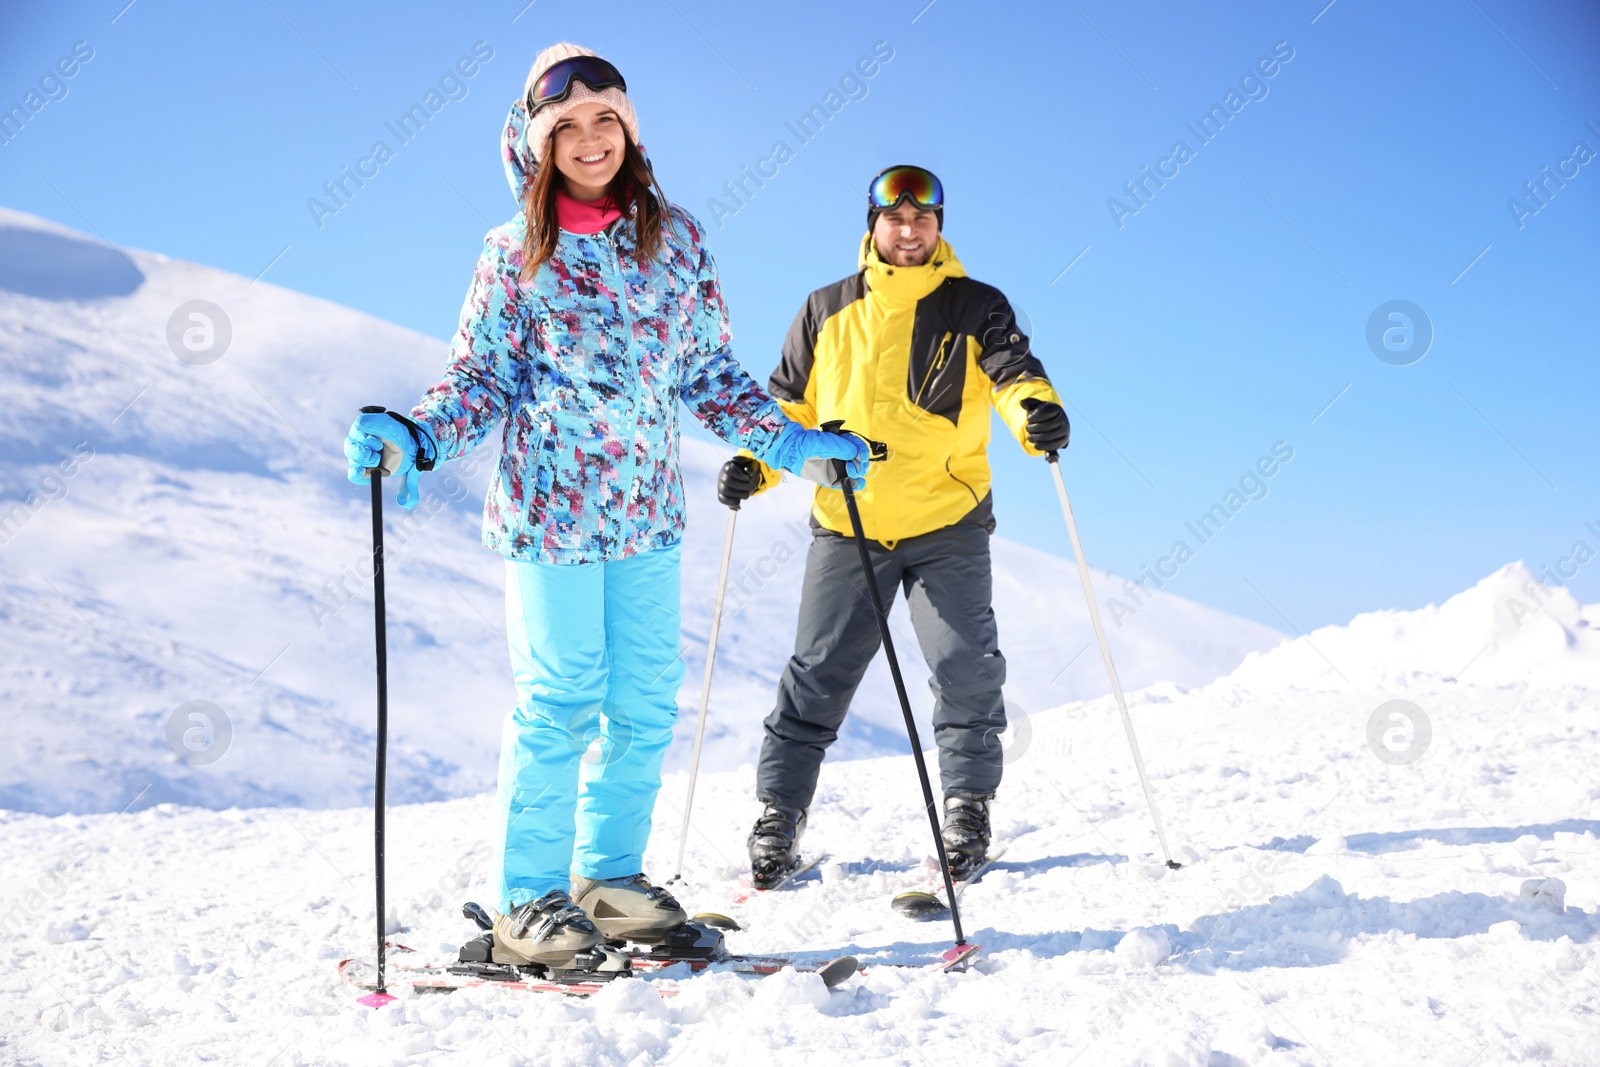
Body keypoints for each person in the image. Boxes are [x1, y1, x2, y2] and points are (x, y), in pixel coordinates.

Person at [342, 43, 866, 970]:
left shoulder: (678, 241)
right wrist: (415, 434)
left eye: (606, 121)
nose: (590, 140)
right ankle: (527, 899)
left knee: (644, 706)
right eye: (569, 127)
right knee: (560, 706)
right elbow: (482, 377)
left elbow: (705, 371)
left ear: (630, 130)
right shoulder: (513, 255)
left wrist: (787, 440)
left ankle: (607, 879)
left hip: (647, 519)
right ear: (538, 144)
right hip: (550, 521)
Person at [718, 164, 1071, 886]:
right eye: (895, 219)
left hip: (949, 519)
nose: (909, 231)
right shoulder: (825, 308)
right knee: (818, 672)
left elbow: (1011, 373)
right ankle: (779, 813)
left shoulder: (976, 304)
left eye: (924, 219)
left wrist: (1036, 412)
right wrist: (759, 463)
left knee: (965, 665)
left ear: (938, 227)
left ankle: (967, 806)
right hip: (849, 519)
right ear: (872, 225)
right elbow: (788, 407)